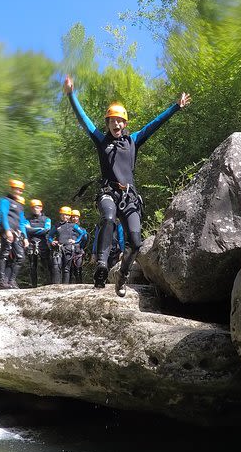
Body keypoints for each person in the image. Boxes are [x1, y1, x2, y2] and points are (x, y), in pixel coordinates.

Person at [63, 75, 191, 295]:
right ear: (108, 123)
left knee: (136, 242)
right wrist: (71, 95)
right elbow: (84, 119)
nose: (116, 123)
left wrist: (176, 107)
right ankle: (102, 265)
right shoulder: (101, 140)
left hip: (129, 197)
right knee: (108, 217)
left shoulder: (133, 141)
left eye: (120, 121)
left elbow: (155, 124)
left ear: (125, 123)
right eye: (112, 120)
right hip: (108, 193)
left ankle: (122, 276)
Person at [0, 179, 29, 289]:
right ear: (12, 189)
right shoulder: (5, 201)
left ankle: (11, 280)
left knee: (20, 257)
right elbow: (3, 215)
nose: (18, 192)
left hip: (17, 233)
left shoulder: (20, 205)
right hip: (6, 231)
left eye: (20, 190)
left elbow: (22, 222)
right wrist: (7, 230)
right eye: (17, 189)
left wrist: (25, 238)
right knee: (5, 254)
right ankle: (1, 281)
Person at [47, 206, 85, 284]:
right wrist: (52, 241)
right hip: (59, 248)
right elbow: (49, 236)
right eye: (63, 215)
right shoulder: (57, 226)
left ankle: (65, 287)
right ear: (60, 215)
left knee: (66, 269)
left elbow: (82, 233)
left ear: (69, 216)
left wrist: (76, 241)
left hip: (68, 249)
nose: (65, 216)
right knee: (56, 266)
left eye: (67, 215)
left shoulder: (73, 225)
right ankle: (56, 285)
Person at [25, 199, 52, 287]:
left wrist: (32, 231)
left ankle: (48, 283)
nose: (34, 209)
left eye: (36, 207)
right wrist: (40, 230)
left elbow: (46, 230)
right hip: (31, 244)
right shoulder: (27, 219)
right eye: (33, 207)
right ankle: (34, 285)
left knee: (46, 264)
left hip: (43, 244)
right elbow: (27, 230)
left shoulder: (47, 219)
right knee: (32, 265)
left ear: (41, 208)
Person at [69, 209, 88, 283]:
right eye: (73, 217)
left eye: (76, 217)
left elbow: (85, 239)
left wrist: (81, 248)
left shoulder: (82, 229)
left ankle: (80, 284)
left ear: (78, 218)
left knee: (78, 270)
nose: (75, 218)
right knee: (69, 270)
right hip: (69, 250)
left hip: (78, 251)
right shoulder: (67, 228)